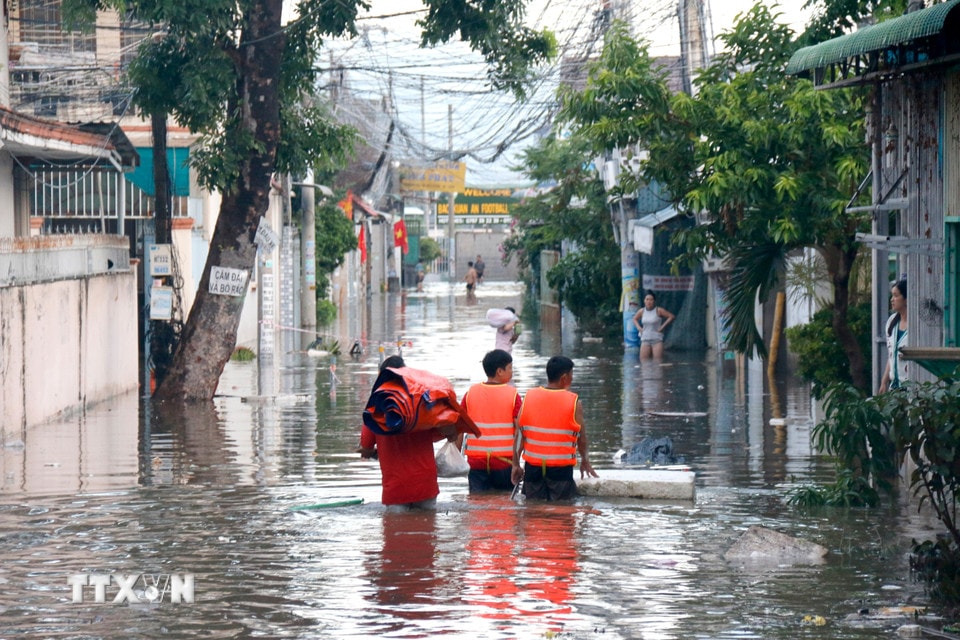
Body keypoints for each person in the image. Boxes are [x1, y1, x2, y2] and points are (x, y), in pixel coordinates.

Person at [358, 355, 448, 509]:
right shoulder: (423, 402)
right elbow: (444, 430)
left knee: (396, 530)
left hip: (395, 486)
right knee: (428, 529)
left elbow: (366, 447)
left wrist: (371, 452)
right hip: (425, 483)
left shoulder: (375, 408)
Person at [516, 355, 597, 500]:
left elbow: (519, 435)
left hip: (533, 469)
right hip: (560, 471)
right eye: (572, 375)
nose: (572, 379)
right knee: (562, 515)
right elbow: (581, 439)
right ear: (564, 377)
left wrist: (515, 464)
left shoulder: (529, 397)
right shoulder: (573, 402)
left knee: (532, 514)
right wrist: (585, 461)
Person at [458, 349, 523, 492]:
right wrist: (516, 464)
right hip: (503, 463)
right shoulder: (513, 395)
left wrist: (456, 458)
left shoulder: (470, 393)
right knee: (506, 508)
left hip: (476, 463)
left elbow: (458, 429)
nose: (512, 372)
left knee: (477, 505)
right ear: (500, 371)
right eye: (510, 368)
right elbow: (520, 431)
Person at [880, 279, 908, 393]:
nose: (892, 300)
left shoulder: (916, 326)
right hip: (894, 388)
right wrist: (884, 382)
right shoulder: (892, 322)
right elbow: (891, 356)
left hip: (910, 386)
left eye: (896, 295)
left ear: (906, 298)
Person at [632, 292, 675, 360]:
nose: (649, 302)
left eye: (651, 300)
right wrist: (639, 328)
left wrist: (662, 327)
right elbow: (634, 319)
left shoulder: (659, 310)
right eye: (647, 299)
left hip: (657, 339)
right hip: (645, 339)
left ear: (654, 301)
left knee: (657, 363)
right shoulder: (642, 311)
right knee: (643, 362)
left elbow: (671, 316)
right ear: (644, 300)